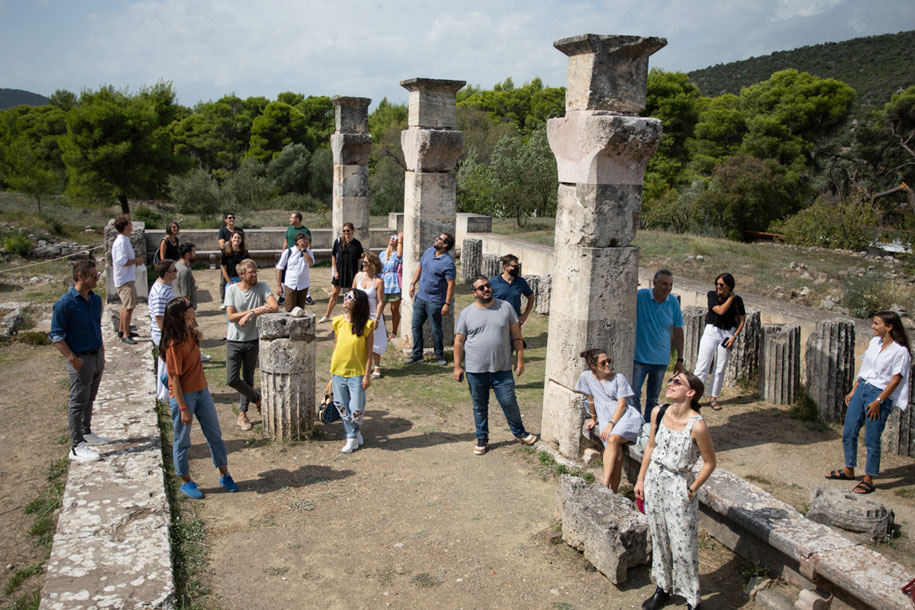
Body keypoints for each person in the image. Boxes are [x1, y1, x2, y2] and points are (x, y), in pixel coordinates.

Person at [635, 372, 717, 610]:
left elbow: (710, 462)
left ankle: (693, 599)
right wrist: (640, 480)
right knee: (658, 536)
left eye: (677, 382)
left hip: (679, 484)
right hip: (654, 480)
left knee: (683, 543)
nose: (670, 384)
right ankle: (663, 587)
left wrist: (691, 489)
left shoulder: (697, 425)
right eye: (671, 380)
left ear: (690, 393)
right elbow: (650, 446)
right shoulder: (658, 412)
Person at [160, 297, 238, 499]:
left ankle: (225, 474)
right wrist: (183, 408)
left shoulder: (188, 333)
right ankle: (186, 481)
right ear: (181, 314)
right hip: (184, 396)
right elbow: (174, 379)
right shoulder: (173, 344)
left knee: (215, 435)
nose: (193, 308)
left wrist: (194, 331)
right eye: (189, 307)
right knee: (182, 440)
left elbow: (194, 330)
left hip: (202, 391)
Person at [826, 311, 911, 495]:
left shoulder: (900, 351)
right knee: (849, 431)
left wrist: (879, 401)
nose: (872, 326)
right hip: (863, 388)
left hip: (879, 394)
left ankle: (869, 478)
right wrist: (854, 389)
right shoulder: (874, 343)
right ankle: (849, 469)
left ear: (889, 327)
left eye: (876, 324)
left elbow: (896, 379)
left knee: (872, 439)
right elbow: (865, 368)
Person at [453, 275, 537, 456]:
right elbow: (459, 341)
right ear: (474, 293)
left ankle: (520, 433)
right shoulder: (466, 313)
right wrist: (457, 366)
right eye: (481, 288)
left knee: (509, 402)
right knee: (479, 406)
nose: (486, 289)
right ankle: (482, 438)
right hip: (475, 370)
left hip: (502, 368)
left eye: (487, 286)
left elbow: (516, 335)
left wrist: (520, 359)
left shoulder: (505, 308)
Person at [50, 259, 108, 462]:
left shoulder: (95, 299)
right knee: (77, 401)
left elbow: (96, 325)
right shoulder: (65, 304)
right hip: (80, 358)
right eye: (93, 275)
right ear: (80, 276)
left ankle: (86, 431)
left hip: (96, 355)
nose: (97, 279)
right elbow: (56, 335)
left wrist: (101, 349)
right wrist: (72, 358)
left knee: (90, 397)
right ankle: (76, 445)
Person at [575, 348, 643, 492]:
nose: (607, 364)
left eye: (609, 361)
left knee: (612, 440)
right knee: (617, 456)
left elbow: (622, 405)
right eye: (603, 362)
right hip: (606, 418)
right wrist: (593, 418)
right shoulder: (586, 377)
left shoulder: (619, 378)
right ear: (593, 366)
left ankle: (604, 485)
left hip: (625, 417)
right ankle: (612, 492)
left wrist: (610, 425)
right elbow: (590, 398)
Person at [224, 258, 278, 431]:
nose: (254, 275)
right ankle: (258, 399)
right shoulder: (232, 289)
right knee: (232, 379)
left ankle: (242, 414)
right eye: (251, 272)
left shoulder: (261, 286)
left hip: (253, 340)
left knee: (248, 378)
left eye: (256, 272)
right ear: (242, 275)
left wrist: (251, 314)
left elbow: (274, 306)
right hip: (234, 340)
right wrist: (254, 311)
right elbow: (231, 317)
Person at [634, 269, 685, 422]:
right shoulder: (641, 296)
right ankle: (636, 423)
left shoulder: (673, 302)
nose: (667, 288)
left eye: (670, 285)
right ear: (654, 283)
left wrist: (680, 358)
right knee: (634, 394)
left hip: (660, 360)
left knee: (653, 398)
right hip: (639, 357)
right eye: (664, 284)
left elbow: (678, 330)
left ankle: (649, 426)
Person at [330, 289, 375, 454]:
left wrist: (367, 374)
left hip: (357, 373)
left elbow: (369, 352)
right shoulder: (338, 322)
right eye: (346, 296)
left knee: (356, 407)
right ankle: (351, 436)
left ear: (358, 303)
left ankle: (356, 431)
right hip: (338, 370)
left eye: (350, 297)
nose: (345, 299)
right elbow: (336, 346)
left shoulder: (367, 325)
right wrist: (332, 373)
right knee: (342, 406)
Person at [694, 273, 746, 410]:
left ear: (729, 286)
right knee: (702, 365)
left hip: (727, 333)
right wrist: (731, 298)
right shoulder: (712, 295)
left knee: (720, 367)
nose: (718, 286)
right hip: (711, 330)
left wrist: (734, 336)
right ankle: (695, 397)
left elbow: (742, 319)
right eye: (717, 283)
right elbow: (720, 311)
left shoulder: (737, 300)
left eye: (721, 285)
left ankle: (713, 397)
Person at [406, 232, 456, 366]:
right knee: (416, 326)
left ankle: (439, 355)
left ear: (445, 244)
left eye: (439, 239)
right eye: (437, 237)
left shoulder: (448, 262)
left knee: (436, 329)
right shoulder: (428, 252)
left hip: (435, 301)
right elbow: (419, 269)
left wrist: (447, 303)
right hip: (420, 298)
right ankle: (417, 355)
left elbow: (451, 284)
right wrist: (412, 284)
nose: (436, 239)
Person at [353, 252, 388, 378]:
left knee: (375, 341)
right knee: (358, 339)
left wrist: (377, 318)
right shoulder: (358, 276)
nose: (364, 264)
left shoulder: (378, 281)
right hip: (358, 313)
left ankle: (377, 367)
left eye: (366, 262)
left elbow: (380, 301)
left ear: (373, 265)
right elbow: (352, 294)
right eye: (363, 262)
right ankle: (361, 365)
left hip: (372, 313)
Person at [320, 222, 363, 323]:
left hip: (352, 271)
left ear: (352, 231)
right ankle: (327, 315)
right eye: (344, 231)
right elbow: (333, 255)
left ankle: (352, 315)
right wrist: (335, 271)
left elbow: (359, 259)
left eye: (348, 230)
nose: (346, 233)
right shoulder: (338, 242)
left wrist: (357, 273)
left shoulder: (357, 244)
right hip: (340, 270)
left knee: (351, 294)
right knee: (334, 293)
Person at [111, 215, 144, 345]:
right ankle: (126, 334)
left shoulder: (125, 240)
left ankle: (122, 329)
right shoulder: (121, 242)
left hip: (127, 278)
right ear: (125, 227)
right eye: (130, 224)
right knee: (128, 307)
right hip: (124, 279)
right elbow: (122, 261)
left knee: (127, 306)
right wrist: (137, 261)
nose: (132, 226)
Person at [149, 259, 178, 402]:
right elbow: (159, 317)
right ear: (167, 274)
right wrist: (167, 335)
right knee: (167, 364)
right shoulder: (161, 292)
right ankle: (164, 395)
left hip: (165, 332)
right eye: (174, 270)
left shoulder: (166, 286)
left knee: (165, 363)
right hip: (162, 333)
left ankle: (166, 393)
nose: (177, 272)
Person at [281, 212, 315, 305]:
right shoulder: (289, 229)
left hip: (301, 256)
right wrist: (283, 251)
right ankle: (283, 296)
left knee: (303, 276)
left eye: (291, 218)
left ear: (297, 219)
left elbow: (308, 244)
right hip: (290, 255)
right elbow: (286, 241)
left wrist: (307, 254)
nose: (289, 219)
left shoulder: (306, 230)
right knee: (286, 275)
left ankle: (307, 296)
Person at [275, 232, 315, 311]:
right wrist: (279, 285)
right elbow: (279, 268)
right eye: (304, 241)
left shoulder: (309, 252)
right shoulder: (288, 252)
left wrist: (304, 251)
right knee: (290, 309)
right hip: (291, 284)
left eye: (307, 242)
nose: (306, 244)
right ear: (297, 242)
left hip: (303, 285)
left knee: (300, 310)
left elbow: (310, 264)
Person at [490, 254, 534, 325]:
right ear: (505, 267)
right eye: (514, 266)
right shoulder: (493, 282)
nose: (517, 268)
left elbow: (531, 297)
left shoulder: (521, 282)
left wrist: (525, 315)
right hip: (497, 321)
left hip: (515, 321)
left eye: (518, 266)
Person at [379, 232, 404, 340]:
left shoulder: (398, 254)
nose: (392, 239)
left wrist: (400, 241)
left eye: (395, 238)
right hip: (383, 283)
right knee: (379, 309)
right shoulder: (382, 254)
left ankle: (393, 332)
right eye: (392, 238)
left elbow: (399, 256)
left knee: (394, 309)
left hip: (394, 283)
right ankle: (384, 331)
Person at [217, 212, 243, 306]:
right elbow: (221, 245)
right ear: (226, 220)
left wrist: (229, 243)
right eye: (230, 218)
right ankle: (223, 300)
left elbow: (243, 242)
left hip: (238, 256)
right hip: (227, 258)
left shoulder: (239, 230)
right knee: (224, 279)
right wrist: (232, 244)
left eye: (233, 218)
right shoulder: (223, 231)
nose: (232, 219)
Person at [219, 230, 248, 310]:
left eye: (239, 238)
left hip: (242, 280)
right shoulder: (226, 253)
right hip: (231, 281)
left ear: (241, 240)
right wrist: (231, 284)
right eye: (235, 237)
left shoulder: (244, 253)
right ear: (231, 239)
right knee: (231, 307)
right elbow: (224, 271)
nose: (236, 239)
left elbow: (247, 268)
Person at [173, 242, 197, 310]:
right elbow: (185, 294)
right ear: (187, 255)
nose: (195, 254)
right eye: (194, 252)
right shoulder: (184, 270)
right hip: (184, 308)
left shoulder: (177, 265)